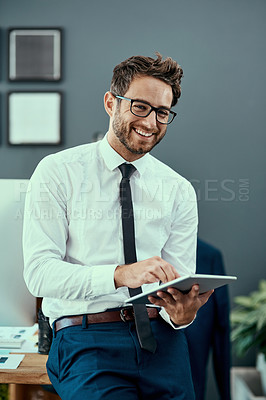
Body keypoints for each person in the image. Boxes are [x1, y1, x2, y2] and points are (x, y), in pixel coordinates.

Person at [23, 53, 213, 400]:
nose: (151, 122)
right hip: (86, 339)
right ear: (112, 103)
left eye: (162, 112)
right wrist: (121, 274)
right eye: (140, 106)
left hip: (162, 341)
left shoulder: (178, 189)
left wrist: (183, 315)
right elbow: (39, 274)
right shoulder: (58, 172)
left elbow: (179, 284)